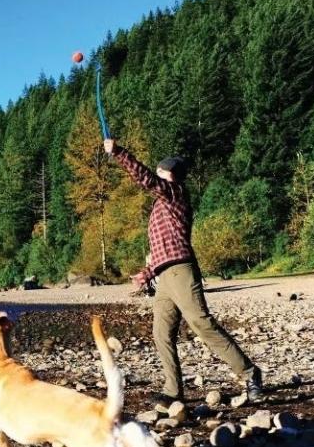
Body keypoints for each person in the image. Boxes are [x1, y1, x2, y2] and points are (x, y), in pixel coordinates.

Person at [103, 138, 264, 405]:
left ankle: (249, 374)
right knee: (161, 333)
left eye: (160, 171)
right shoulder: (159, 205)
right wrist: (148, 272)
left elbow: (146, 180)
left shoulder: (175, 192)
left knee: (201, 323)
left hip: (182, 272)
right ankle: (173, 391)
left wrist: (118, 152)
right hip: (164, 277)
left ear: (171, 175)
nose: (156, 174)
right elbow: (163, 246)